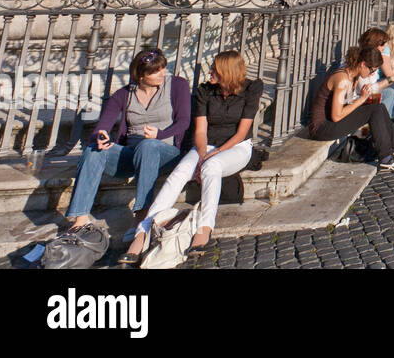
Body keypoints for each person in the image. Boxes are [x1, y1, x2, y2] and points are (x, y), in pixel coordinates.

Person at [123, 51, 264, 263]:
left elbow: (241, 133)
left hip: (237, 147)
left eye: (214, 69)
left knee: (212, 166)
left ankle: (204, 227)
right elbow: (200, 131)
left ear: (227, 72)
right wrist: (201, 155)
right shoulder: (205, 91)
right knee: (180, 171)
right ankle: (143, 231)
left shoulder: (251, 90)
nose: (209, 72)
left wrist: (212, 155)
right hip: (206, 145)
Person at [64, 48, 190, 233]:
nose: (162, 73)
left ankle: (141, 215)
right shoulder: (123, 95)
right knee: (93, 150)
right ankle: (80, 219)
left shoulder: (177, 85)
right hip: (132, 155)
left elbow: (184, 122)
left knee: (148, 145)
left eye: (163, 67)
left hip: (165, 153)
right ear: (141, 76)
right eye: (155, 71)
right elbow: (103, 126)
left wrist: (160, 135)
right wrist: (100, 137)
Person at [306, 45, 394, 168]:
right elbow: (336, 116)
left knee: (378, 106)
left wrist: (391, 80)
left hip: (331, 122)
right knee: (374, 109)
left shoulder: (353, 75)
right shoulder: (343, 79)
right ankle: (385, 158)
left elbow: (362, 95)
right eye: (372, 70)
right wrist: (362, 100)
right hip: (321, 128)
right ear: (363, 64)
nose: (371, 74)